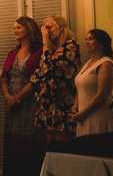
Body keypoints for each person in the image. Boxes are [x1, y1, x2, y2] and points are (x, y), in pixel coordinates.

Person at [0, 16, 44, 176]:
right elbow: (4, 78)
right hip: (12, 103)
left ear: (29, 29)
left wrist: (17, 98)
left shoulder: (39, 52)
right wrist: (9, 97)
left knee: (29, 143)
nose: (15, 30)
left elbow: (37, 81)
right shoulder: (13, 52)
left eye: (18, 27)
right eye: (14, 27)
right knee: (12, 143)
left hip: (29, 102)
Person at [30, 14, 81, 143]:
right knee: (50, 147)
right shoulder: (51, 50)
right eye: (44, 28)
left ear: (61, 28)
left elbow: (50, 68)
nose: (46, 32)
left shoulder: (71, 46)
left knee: (62, 147)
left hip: (62, 103)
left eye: (49, 27)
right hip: (48, 106)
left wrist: (45, 43)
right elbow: (39, 74)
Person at [70, 29, 113, 137]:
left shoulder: (105, 64)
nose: (87, 42)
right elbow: (81, 86)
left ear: (101, 43)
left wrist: (83, 114)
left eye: (91, 39)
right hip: (83, 115)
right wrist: (75, 106)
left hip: (98, 115)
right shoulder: (89, 62)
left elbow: (101, 95)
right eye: (86, 39)